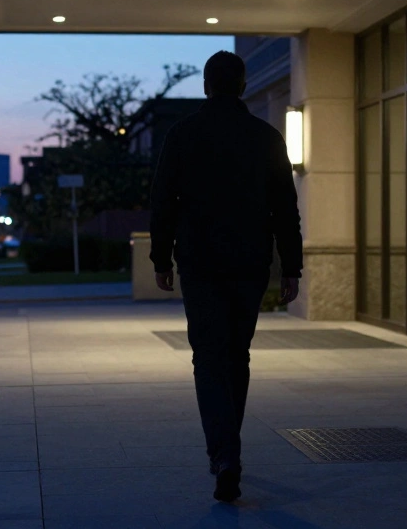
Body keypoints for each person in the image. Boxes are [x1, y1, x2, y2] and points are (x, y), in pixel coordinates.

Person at [149, 50, 302, 503]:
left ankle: (224, 454)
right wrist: (291, 266)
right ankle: (227, 450)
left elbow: (163, 201)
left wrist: (161, 259)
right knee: (237, 355)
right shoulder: (266, 137)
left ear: (205, 85)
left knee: (209, 357)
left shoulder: (183, 134)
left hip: (199, 263)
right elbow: (285, 209)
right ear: (242, 86)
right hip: (250, 262)